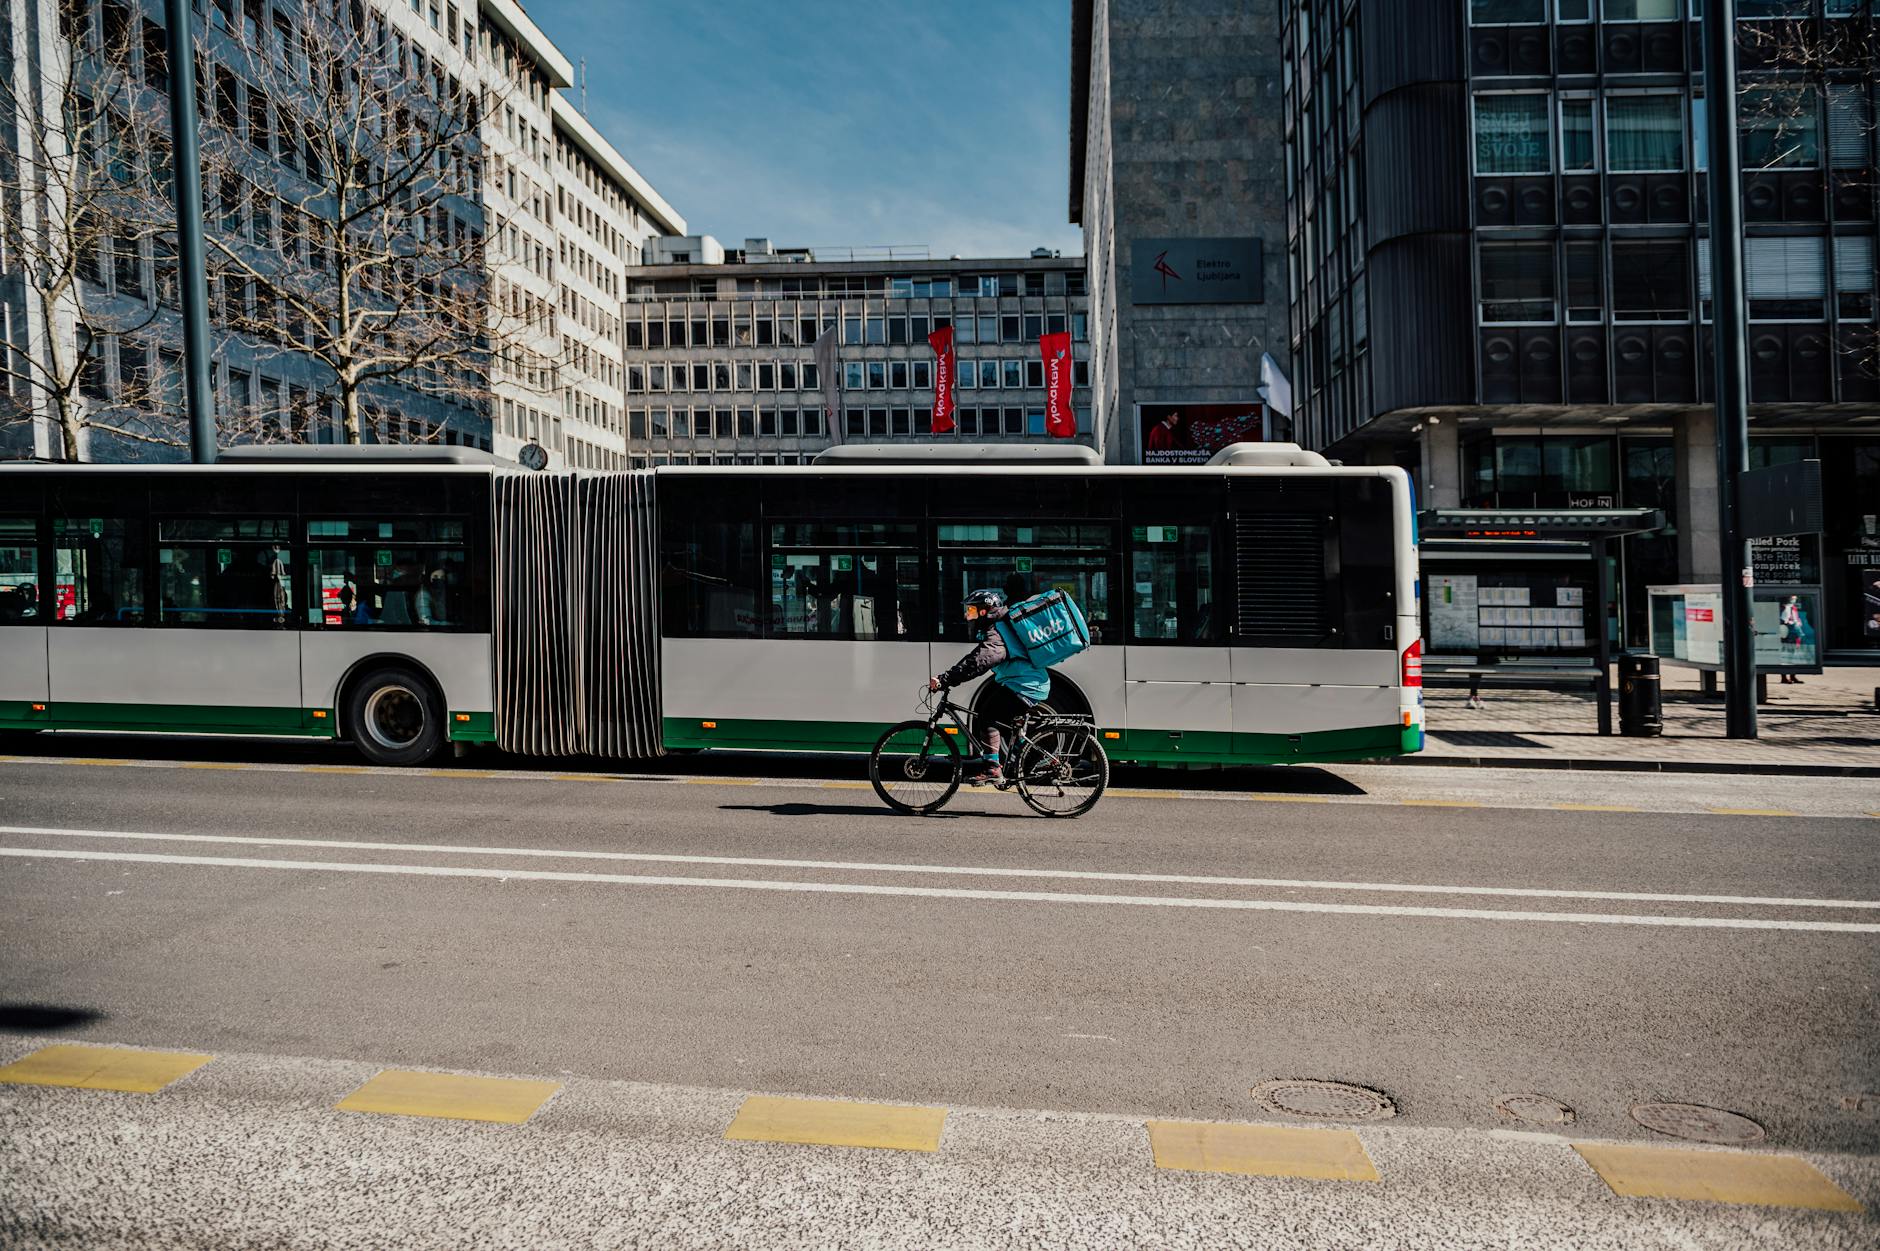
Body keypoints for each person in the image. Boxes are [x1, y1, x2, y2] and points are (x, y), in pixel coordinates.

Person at [929, 588, 1051, 785]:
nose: (968, 615)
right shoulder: (999, 625)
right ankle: (1025, 759)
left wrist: (946, 678)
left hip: (1025, 685)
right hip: (1025, 682)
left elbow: (979, 661)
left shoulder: (996, 631)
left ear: (984, 610)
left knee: (987, 716)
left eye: (971, 610)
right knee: (1003, 715)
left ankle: (992, 768)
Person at [1778, 595, 1807, 684]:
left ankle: (1792, 676)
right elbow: (1784, 620)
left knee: (1793, 655)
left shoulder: (1793, 608)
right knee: (1787, 654)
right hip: (1789, 633)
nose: (1794, 600)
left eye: (1795, 599)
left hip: (1794, 633)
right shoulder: (1786, 608)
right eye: (1793, 598)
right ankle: (1784, 677)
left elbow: (1795, 619)